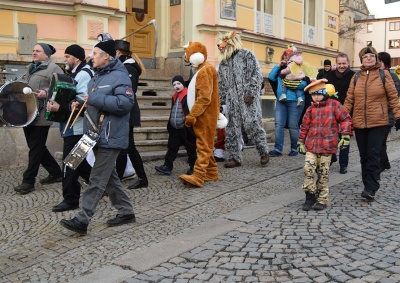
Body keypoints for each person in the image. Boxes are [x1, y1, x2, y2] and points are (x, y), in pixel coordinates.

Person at [60, 39, 136, 235]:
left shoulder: (121, 77)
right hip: (94, 135)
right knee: (110, 179)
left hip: (110, 137)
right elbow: (95, 103)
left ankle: (82, 219)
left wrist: (93, 99)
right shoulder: (96, 77)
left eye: (94, 53)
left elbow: (124, 103)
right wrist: (81, 104)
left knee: (96, 179)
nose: (91, 57)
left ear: (106, 56)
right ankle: (126, 211)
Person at [344, 46, 400, 201]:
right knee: (364, 156)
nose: (368, 58)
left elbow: (393, 97)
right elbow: (349, 99)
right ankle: (366, 184)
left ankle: (371, 187)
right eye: (365, 56)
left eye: (371, 56)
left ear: (376, 58)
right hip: (359, 123)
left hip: (379, 122)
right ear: (361, 59)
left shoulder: (384, 75)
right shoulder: (356, 77)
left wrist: (398, 116)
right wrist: (341, 118)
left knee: (374, 154)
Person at [45, 44, 93, 212]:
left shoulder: (84, 74)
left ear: (76, 58)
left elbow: (82, 104)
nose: (64, 59)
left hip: (79, 129)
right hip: (74, 128)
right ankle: (102, 187)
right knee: (79, 164)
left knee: (70, 164)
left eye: (67, 57)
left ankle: (71, 200)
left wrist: (60, 108)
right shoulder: (77, 73)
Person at [13, 43, 64, 195]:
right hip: (27, 114)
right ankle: (55, 173)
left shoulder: (53, 68)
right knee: (37, 146)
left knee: (35, 148)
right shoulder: (31, 67)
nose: (34, 53)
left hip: (42, 114)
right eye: (33, 50)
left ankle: (28, 181)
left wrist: (46, 92)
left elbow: (61, 87)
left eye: (38, 51)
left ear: (46, 55)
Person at [217, 31, 269, 168]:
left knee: (253, 125)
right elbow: (221, 83)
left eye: (223, 43)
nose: (220, 46)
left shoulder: (247, 55)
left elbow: (256, 74)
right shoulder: (223, 63)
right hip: (232, 100)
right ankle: (235, 157)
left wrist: (251, 92)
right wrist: (220, 101)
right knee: (232, 128)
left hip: (248, 99)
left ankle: (263, 152)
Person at [298, 79, 352, 211]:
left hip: (327, 147)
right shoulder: (310, 109)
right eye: (313, 94)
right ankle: (309, 196)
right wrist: (300, 141)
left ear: (325, 92)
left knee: (323, 173)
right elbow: (304, 126)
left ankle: (322, 199)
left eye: (319, 93)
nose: (316, 96)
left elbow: (345, 118)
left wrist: (345, 135)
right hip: (311, 146)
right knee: (308, 170)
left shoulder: (335, 105)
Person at [178, 41, 220, 187]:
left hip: (205, 115)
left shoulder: (205, 70)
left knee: (203, 146)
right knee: (206, 143)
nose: (188, 61)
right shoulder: (205, 69)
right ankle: (212, 172)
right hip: (205, 114)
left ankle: (198, 175)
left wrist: (193, 115)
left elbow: (204, 97)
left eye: (188, 57)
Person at [113, 39, 148, 189]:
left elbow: (129, 91)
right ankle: (120, 179)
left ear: (118, 52)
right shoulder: (123, 66)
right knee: (124, 147)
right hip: (125, 111)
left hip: (128, 111)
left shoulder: (129, 67)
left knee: (128, 147)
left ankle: (142, 178)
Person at [268, 49, 309, 157]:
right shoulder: (281, 70)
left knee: (293, 126)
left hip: (295, 101)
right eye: (285, 57)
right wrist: (278, 65)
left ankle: (294, 148)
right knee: (278, 124)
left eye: (288, 57)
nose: (286, 59)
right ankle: (278, 149)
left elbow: (305, 83)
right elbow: (271, 77)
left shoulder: (300, 68)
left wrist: (292, 84)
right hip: (281, 101)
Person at [155, 75, 197, 175]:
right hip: (175, 127)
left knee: (191, 148)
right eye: (174, 84)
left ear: (183, 84)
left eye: (178, 84)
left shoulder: (189, 95)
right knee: (172, 147)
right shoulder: (174, 96)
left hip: (186, 128)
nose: (176, 86)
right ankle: (167, 166)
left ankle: (193, 167)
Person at [325, 53, 355, 174]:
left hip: (346, 111)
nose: (342, 66)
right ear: (336, 64)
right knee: (331, 135)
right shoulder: (330, 75)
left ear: (348, 63)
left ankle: (343, 164)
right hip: (331, 110)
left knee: (344, 136)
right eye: (339, 63)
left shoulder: (353, 76)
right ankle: (332, 156)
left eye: (344, 63)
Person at [377, 51, 400, 173]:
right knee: (380, 142)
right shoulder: (376, 75)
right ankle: (385, 163)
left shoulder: (392, 76)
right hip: (378, 114)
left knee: (380, 141)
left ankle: (381, 165)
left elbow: (395, 96)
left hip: (387, 114)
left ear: (382, 62)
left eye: (378, 61)